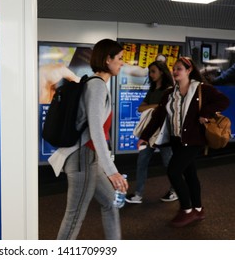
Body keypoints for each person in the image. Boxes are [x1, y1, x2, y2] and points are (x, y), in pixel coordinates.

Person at [48, 39, 128, 239]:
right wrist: (112, 171)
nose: (122, 63)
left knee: (110, 202)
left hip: (88, 158)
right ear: (107, 59)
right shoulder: (98, 86)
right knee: (74, 216)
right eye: (119, 58)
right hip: (83, 158)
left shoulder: (93, 84)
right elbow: (96, 130)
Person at [137, 56, 230, 227]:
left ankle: (187, 210)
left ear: (189, 71)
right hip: (176, 141)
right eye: (174, 68)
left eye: (179, 68)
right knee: (190, 174)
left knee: (173, 171)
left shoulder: (201, 89)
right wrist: (144, 136)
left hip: (194, 140)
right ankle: (198, 209)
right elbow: (158, 117)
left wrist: (205, 113)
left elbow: (224, 101)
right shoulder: (170, 94)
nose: (174, 71)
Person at [126, 61, 177, 204]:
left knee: (169, 164)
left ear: (161, 72)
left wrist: (154, 107)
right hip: (149, 133)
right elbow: (140, 108)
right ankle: (138, 194)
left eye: (153, 71)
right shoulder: (153, 90)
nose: (151, 74)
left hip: (164, 132)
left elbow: (166, 109)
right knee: (142, 162)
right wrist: (158, 106)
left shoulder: (169, 90)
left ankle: (175, 190)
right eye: (150, 72)